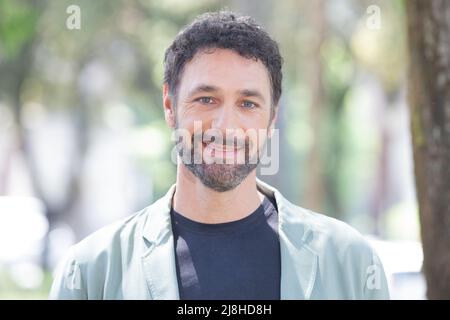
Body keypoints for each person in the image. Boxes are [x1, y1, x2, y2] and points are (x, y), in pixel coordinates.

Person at [50, 11, 390, 300]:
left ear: (272, 118)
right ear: (170, 105)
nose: (226, 126)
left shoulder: (352, 264)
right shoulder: (91, 272)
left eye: (248, 104)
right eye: (206, 99)